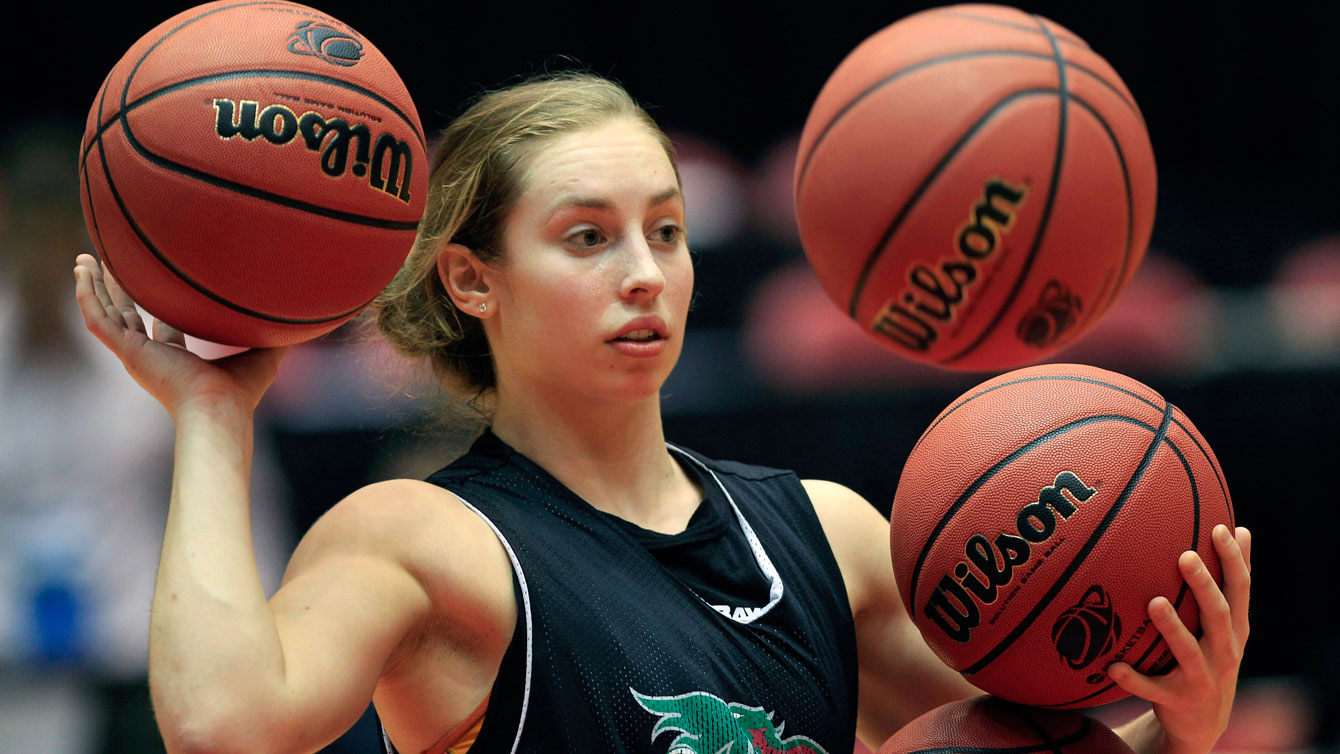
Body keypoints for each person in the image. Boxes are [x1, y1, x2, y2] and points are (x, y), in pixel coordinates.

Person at [72, 72, 1251, 754]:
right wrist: (214, 418)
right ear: (470, 278)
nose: (645, 271)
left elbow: (1042, 748)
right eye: (587, 236)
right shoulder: (423, 541)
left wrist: (1182, 724)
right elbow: (223, 728)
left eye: (667, 230)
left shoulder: (827, 536)